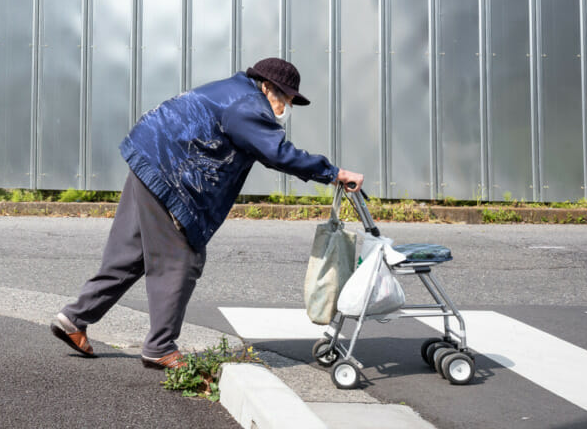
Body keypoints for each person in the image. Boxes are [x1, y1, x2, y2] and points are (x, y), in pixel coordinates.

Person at [50, 57, 365, 369]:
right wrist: (333, 173)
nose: (286, 108)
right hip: (171, 175)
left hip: (148, 157)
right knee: (182, 258)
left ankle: (74, 319)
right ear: (268, 88)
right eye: (286, 99)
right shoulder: (248, 106)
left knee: (130, 254)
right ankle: (160, 347)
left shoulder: (232, 90)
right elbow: (277, 153)